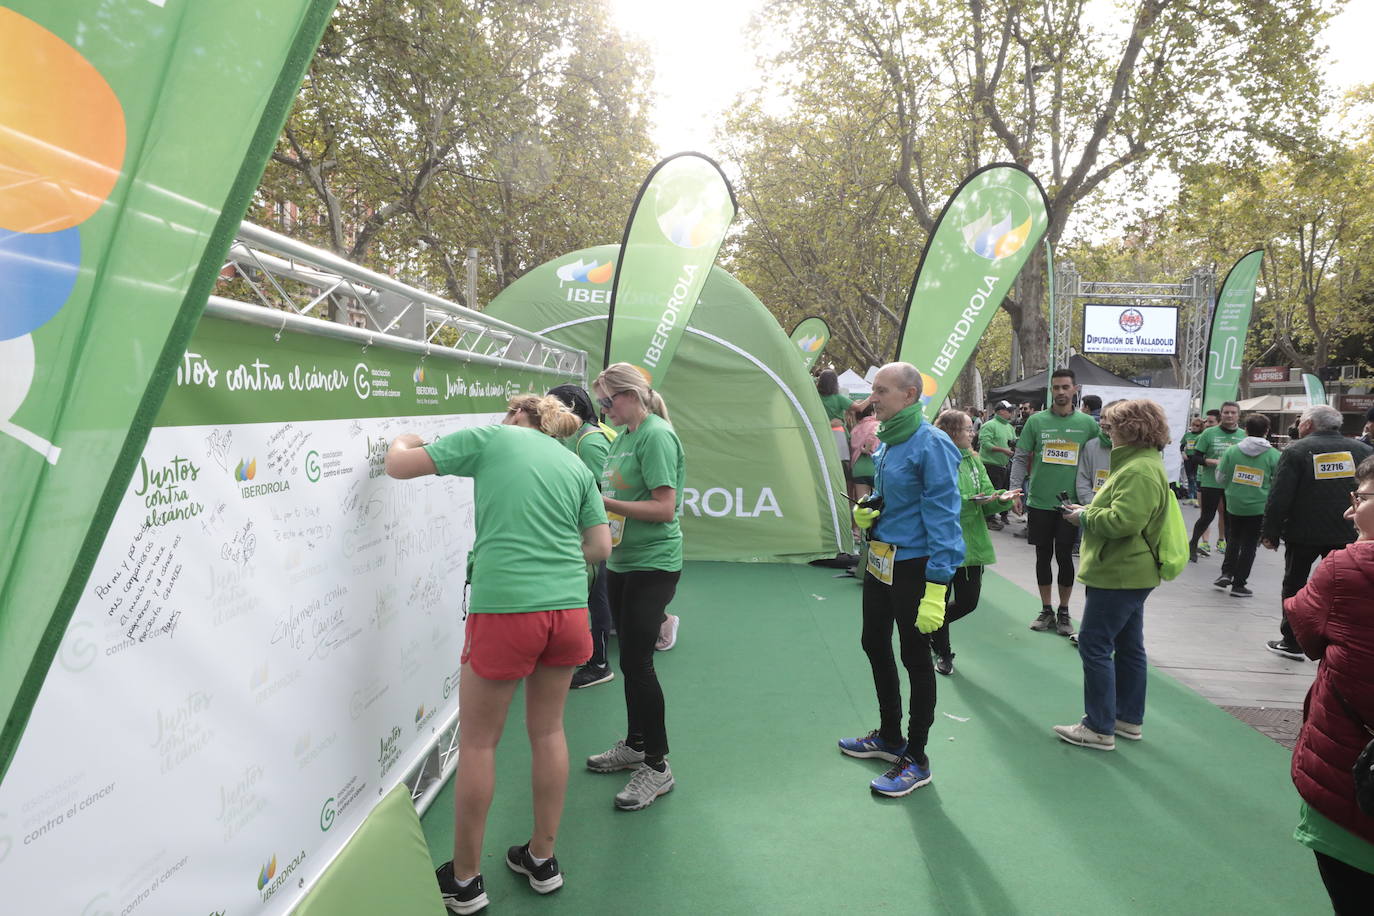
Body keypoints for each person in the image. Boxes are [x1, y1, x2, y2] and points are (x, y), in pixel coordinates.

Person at [386, 395, 610, 914]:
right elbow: (600, 546)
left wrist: (405, 439)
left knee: (482, 744)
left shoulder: (492, 438)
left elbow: (399, 465)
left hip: (506, 608)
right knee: (549, 732)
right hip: (568, 609)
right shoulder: (573, 463)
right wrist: (553, 559)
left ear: (518, 415)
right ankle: (542, 858)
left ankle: (464, 881)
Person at [838, 362, 963, 797]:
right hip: (881, 559)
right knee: (873, 642)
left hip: (916, 566)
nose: (874, 398)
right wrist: (870, 508)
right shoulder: (888, 439)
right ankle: (890, 737)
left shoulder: (933, 444)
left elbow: (946, 517)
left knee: (915, 657)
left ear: (910, 395)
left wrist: (936, 587)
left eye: (882, 390)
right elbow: (891, 496)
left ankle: (918, 756)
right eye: (874, 389)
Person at [584, 362, 687, 810]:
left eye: (608, 401)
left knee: (640, 663)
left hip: (654, 563)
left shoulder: (656, 435)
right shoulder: (623, 437)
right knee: (631, 661)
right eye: (601, 403)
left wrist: (601, 501)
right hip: (623, 561)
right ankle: (636, 744)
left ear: (630, 396)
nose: (604, 409)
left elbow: (665, 508)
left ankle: (658, 766)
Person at [1053, 399, 1172, 750]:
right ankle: (1125, 719)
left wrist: (1084, 517)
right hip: (1131, 570)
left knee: (1094, 644)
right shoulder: (1143, 464)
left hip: (1120, 570)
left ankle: (1099, 726)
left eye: (1111, 426)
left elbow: (1124, 522)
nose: (1107, 431)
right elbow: (1125, 513)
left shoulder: (1137, 469)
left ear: (1131, 428)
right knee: (1129, 646)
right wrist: (1089, 510)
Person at [1284, 454, 1374, 912]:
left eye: (1360, 498)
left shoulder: (1345, 568)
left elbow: (1305, 629)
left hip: (1355, 778)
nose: (1350, 510)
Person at [1260, 404, 1373, 660]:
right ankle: (1336, 637)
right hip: (1348, 531)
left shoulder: (1296, 450)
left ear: (1308, 425)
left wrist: (1270, 531)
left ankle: (1292, 640)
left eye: (1301, 422)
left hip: (1303, 533)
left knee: (1295, 584)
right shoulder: (1364, 451)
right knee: (1342, 585)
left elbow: (1280, 496)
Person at [1009, 368, 1100, 637]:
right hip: (1039, 501)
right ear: (1052, 390)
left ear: (1074, 389)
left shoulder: (1088, 425)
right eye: (1056, 387)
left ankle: (1064, 611)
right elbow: (1020, 456)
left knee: (1064, 556)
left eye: (1065, 387)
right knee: (1042, 556)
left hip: (1070, 507)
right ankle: (1046, 609)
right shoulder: (1036, 422)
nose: (1060, 392)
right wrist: (1015, 490)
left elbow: (1099, 459)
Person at [929, 409, 1018, 676]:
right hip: (941, 544)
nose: (972, 433)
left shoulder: (973, 460)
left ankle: (931, 630)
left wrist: (1003, 499)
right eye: (967, 429)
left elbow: (988, 496)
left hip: (972, 543)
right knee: (938, 603)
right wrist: (971, 501)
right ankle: (943, 651)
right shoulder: (936, 459)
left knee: (968, 602)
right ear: (951, 431)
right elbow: (935, 502)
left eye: (971, 428)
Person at [548, 384, 618, 690]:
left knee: (597, 596)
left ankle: (600, 664)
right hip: (598, 530)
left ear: (571, 407)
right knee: (599, 595)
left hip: (598, 531)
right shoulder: (591, 432)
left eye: (554, 407)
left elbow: (602, 490)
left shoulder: (588, 441)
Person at [1214, 414, 1279, 598]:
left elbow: (1220, 477)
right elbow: (1277, 483)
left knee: (1233, 539)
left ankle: (1226, 573)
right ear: (1267, 431)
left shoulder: (1232, 451)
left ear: (1245, 430)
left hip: (1234, 503)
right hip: (1259, 507)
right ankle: (1239, 584)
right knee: (1250, 545)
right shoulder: (1274, 455)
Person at [1189, 402, 1243, 561]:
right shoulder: (1209, 433)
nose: (1230, 415)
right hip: (1210, 482)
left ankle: (1230, 555)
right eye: (1226, 412)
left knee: (1229, 518)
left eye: (1233, 413)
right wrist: (1210, 462)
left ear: (1238, 415)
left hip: (1232, 483)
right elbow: (1195, 457)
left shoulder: (1243, 435)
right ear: (1221, 414)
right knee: (1207, 516)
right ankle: (1193, 545)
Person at [979, 400, 1017, 529]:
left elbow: (1013, 442)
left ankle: (1002, 515)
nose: (1011, 413)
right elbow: (985, 444)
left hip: (1004, 465)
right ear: (1001, 411)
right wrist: (1004, 450)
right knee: (992, 492)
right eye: (1009, 410)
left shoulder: (1010, 427)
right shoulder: (989, 425)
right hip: (990, 464)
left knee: (1003, 490)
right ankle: (989, 518)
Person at [849, 400, 880, 504]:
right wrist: (868, 447)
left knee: (862, 505)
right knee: (880, 505)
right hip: (875, 468)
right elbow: (873, 435)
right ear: (872, 412)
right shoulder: (877, 424)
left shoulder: (855, 429)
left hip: (858, 469)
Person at [1180, 415, 1204, 505]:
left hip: (1197, 458)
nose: (1194, 427)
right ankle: (1191, 497)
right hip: (1188, 458)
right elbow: (1182, 446)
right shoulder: (1187, 435)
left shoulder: (1202, 436)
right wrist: (1183, 453)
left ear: (1201, 427)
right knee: (1190, 477)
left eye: (1197, 425)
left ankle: (1198, 499)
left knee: (1196, 478)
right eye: (1193, 425)